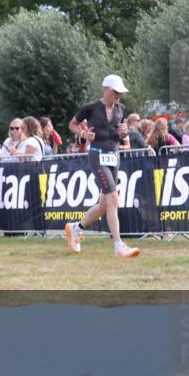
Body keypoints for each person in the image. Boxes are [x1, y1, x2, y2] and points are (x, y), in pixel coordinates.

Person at [65, 74, 140, 258]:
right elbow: (72, 125)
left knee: (104, 205)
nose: (118, 95)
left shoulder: (121, 109)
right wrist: (83, 134)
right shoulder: (90, 108)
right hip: (97, 155)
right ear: (105, 89)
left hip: (114, 156)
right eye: (116, 91)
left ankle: (75, 228)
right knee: (114, 198)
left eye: (120, 92)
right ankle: (118, 246)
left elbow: (121, 135)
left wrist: (124, 133)